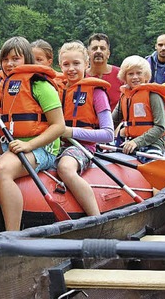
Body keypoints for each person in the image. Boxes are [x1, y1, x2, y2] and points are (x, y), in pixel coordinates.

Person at [0, 37, 64, 231]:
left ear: (28, 59)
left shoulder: (40, 85)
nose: (9, 64)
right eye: (5, 59)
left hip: (41, 147)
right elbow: (0, 133)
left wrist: (28, 146)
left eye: (16, 58)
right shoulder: (5, 86)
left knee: (3, 170)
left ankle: (12, 233)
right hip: (14, 142)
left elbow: (59, 126)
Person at [55, 41, 114, 217]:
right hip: (56, 145)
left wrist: (70, 132)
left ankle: (95, 218)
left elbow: (108, 134)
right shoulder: (56, 89)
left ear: (87, 64)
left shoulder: (97, 92)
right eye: (66, 64)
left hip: (82, 148)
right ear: (60, 66)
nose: (71, 69)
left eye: (76, 63)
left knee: (65, 168)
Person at [112, 56, 165, 163]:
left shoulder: (153, 95)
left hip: (152, 143)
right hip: (128, 142)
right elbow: (112, 122)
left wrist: (137, 142)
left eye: (139, 73)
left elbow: (160, 127)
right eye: (130, 74)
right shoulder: (124, 96)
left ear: (146, 75)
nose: (135, 77)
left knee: (152, 162)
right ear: (125, 77)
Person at [85, 33, 124, 110]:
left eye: (102, 48)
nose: (98, 51)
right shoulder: (82, 77)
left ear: (108, 54)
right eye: (94, 48)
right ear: (88, 53)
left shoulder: (121, 75)